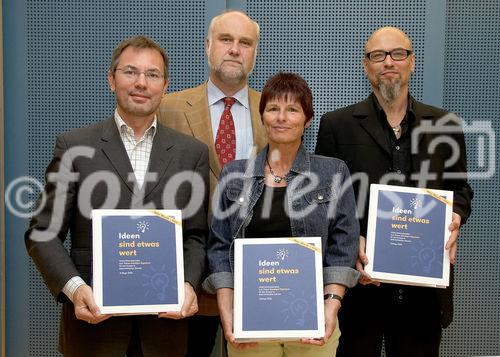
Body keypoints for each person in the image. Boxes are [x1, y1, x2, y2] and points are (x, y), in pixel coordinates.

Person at [25, 35, 209, 357]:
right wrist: (75, 288)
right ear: (111, 80)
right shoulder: (74, 147)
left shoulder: (191, 153)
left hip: (164, 331)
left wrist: (190, 285)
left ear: (165, 85)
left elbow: (195, 235)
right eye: (130, 72)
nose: (141, 83)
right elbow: (43, 232)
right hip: (93, 328)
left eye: (152, 75)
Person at [315, 26, 473, 357]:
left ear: (411, 62)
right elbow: (323, 201)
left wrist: (456, 216)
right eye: (377, 55)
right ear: (365, 65)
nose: (388, 62)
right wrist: (349, 242)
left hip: (424, 291)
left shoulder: (445, 125)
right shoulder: (336, 126)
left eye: (398, 54)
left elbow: (460, 189)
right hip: (360, 286)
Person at [204, 72, 360, 357]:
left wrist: (331, 304)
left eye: (293, 109)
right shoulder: (234, 175)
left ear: (307, 120)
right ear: (262, 116)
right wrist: (227, 312)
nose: (281, 117)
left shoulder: (333, 172)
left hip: (312, 323)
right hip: (250, 322)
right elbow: (219, 248)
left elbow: (344, 244)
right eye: (273, 108)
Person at [157, 10, 266, 356]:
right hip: (187, 271)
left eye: (245, 43)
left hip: (257, 273)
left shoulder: (276, 110)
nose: (235, 49)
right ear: (207, 47)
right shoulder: (167, 108)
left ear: (255, 52)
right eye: (226, 40)